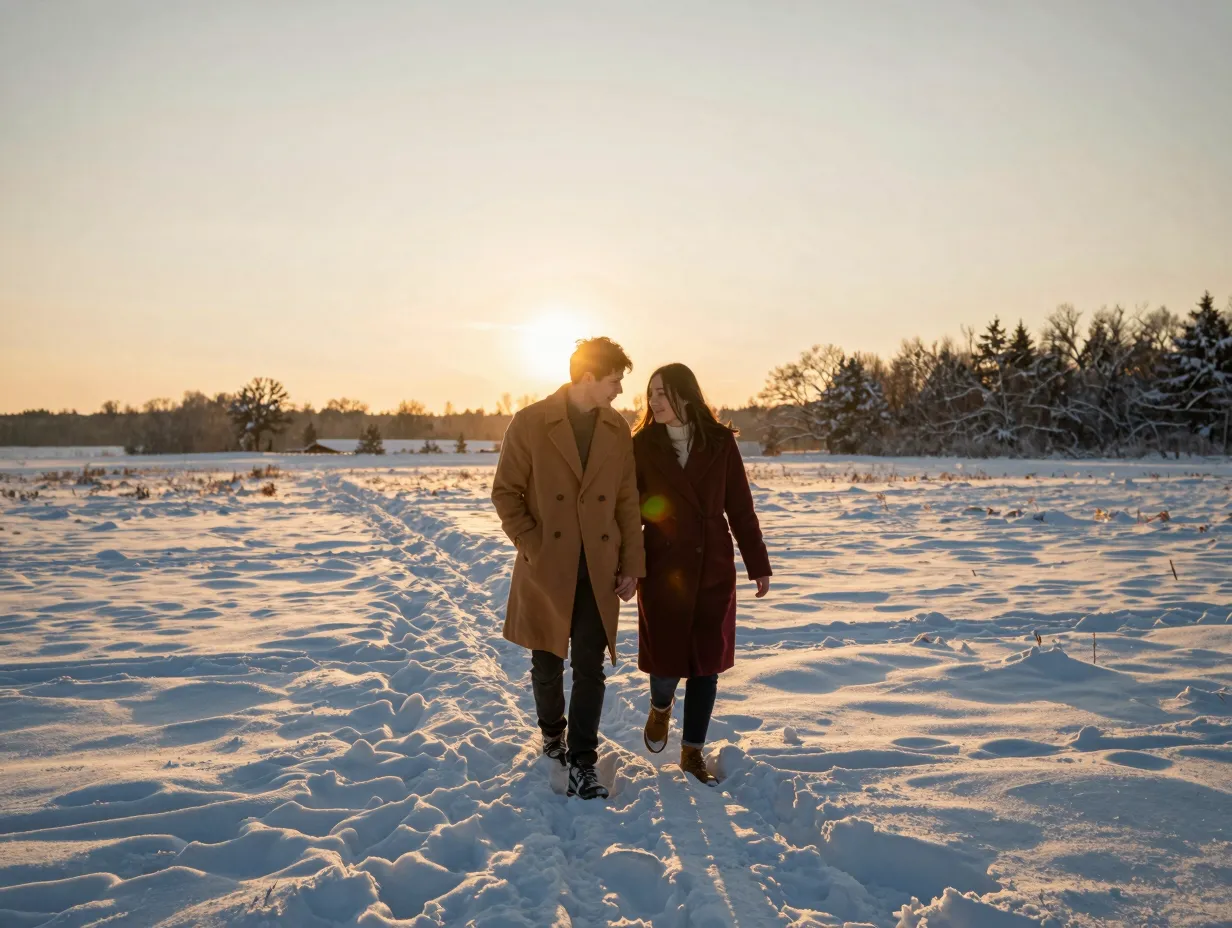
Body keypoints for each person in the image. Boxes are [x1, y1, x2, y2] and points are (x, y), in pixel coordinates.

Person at [491, 337, 646, 800]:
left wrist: (631, 565)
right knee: (546, 661)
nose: (619, 390)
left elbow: (626, 501)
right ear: (587, 379)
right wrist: (534, 544)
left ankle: (583, 759)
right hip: (547, 567)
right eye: (614, 380)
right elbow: (506, 494)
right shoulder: (532, 422)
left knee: (590, 668)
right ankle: (552, 735)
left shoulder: (617, 430)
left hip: (597, 569)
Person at [633, 363, 771, 785]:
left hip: (712, 563)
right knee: (666, 661)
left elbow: (741, 508)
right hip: (661, 566)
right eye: (650, 393)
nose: (653, 401)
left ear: (685, 396)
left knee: (705, 665)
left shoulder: (719, 442)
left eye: (662, 393)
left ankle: (692, 753)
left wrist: (757, 563)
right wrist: (624, 562)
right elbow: (626, 511)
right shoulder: (641, 445)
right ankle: (660, 705)